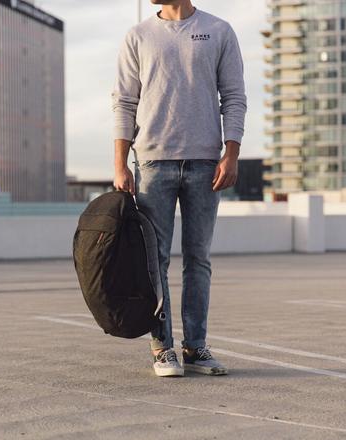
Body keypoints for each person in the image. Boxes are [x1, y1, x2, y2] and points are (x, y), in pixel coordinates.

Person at [111, 0, 247, 377]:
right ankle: (162, 347)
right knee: (155, 260)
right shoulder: (138, 36)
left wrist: (232, 153)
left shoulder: (218, 31)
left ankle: (195, 347)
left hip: (206, 162)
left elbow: (234, 96)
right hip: (152, 162)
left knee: (198, 258)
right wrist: (120, 163)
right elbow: (124, 101)